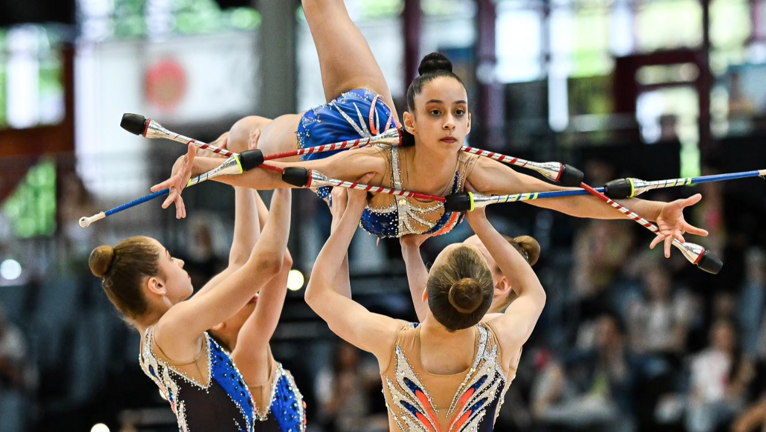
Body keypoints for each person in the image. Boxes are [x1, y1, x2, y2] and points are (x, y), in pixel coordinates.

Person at [152, 0, 706, 256]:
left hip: (372, 125)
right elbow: (280, 176)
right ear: (412, 120)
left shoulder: (475, 174)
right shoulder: (372, 166)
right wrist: (203, 169)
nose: (451, 124)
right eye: (437, 113)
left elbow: (566, 199)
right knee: (260, 135)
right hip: (345, 126)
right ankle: (249, 127)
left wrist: (653, 213)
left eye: (459, 113)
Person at [304, 183, 546, 431]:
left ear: (424, 294)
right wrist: (477, 219)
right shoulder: (501, 338)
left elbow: (322, 296)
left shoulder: (394, 340)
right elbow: (534, 293)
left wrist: (347, 216)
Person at [88, 187, 291, 432]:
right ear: (157, 284)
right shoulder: (173, 327)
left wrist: (242, 180)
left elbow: (240, 263)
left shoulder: (164, 331)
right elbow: (267, 264)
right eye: (170, 258)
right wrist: (284, 187)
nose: (181, 261)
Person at [206, 185, 305, 432]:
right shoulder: (244, 355)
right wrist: (254, 182)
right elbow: (281, 264)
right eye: (236, 294)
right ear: (216, 322)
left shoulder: (253, 350)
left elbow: (274, 260)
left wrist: (245, 181)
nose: (251, 290)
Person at [400, 231, 540, 321]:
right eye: (460, 252)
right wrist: (409, 245)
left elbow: (430, 317)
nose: (456, 262)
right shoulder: (436, 322)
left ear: (501, 285)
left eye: (474, 259)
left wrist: (477, 216)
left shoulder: (504, 332)